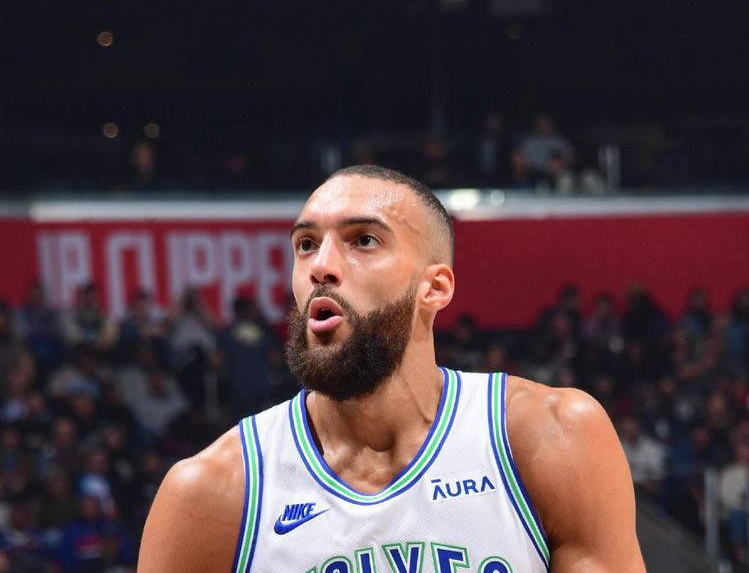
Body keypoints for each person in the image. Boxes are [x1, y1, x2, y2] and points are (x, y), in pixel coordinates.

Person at [139, 165, 645, 572]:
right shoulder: (213, 493)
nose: (321, 265)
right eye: (306, 244)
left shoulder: (549, 438)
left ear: (436, 289)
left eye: (363, 240)